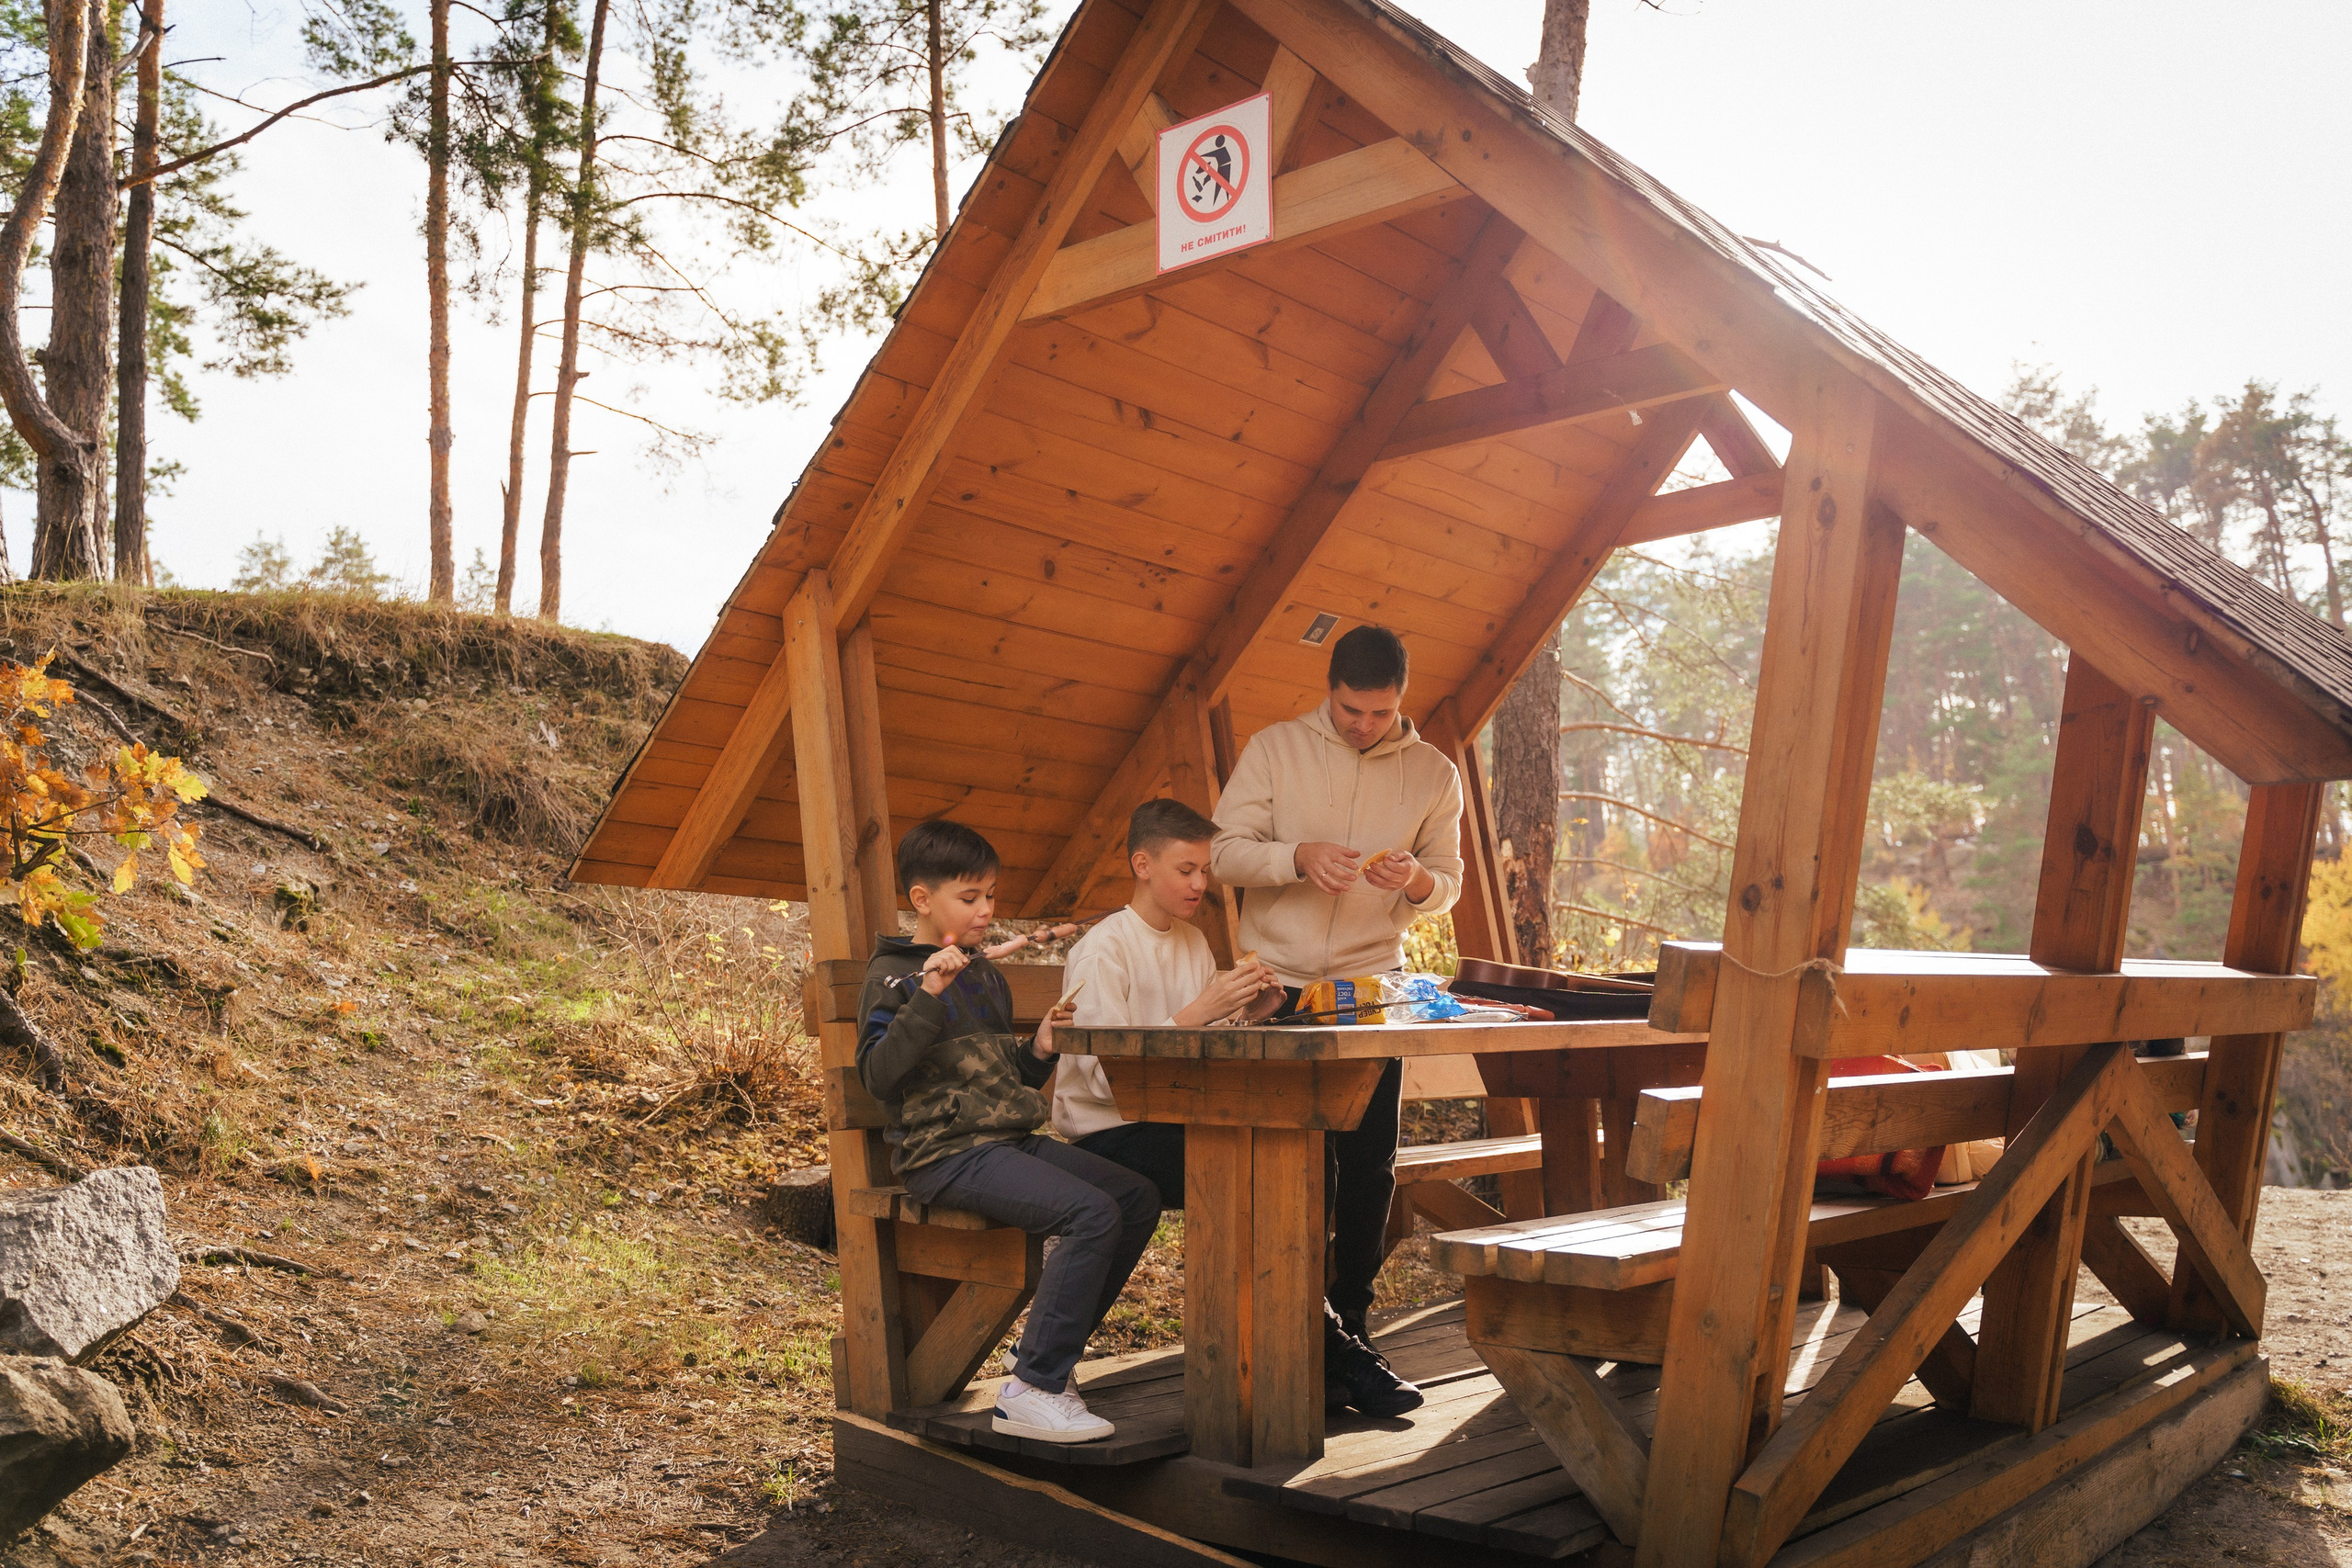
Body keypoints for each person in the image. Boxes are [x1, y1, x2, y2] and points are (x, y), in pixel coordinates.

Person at [1053, 796, 1423, 1416]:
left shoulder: (1195, 943)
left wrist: (1250, 1015)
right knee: (1260, 1164)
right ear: (1142, 864)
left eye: (1205, 870)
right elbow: (1096, 1073)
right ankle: (1327, 1343)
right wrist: (1201, 1012)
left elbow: (1201, 1056)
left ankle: (1308, 1337)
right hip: (1110, 1137)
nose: (1201, 883)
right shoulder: (1104, 948)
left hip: (1179, 1125)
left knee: (1310, 1147)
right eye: (1185, 870)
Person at [1210, 625, 1464, 1416]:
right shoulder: (1276, 747)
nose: (1364, 725)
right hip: (1273, 987)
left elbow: (1449, 884)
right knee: (1292, 1166)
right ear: (1331, 690)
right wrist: (1295, 856)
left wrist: (1418, 879)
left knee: (1368, 1168)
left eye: (1380, 713)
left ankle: (1349, 1325)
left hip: (1366, 993)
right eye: (1352, 710)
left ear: (1401, 701)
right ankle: (1300, 1334)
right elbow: (1222, 851)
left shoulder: (1434, 772)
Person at [856, 819, 1160, 1445]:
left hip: (1005, 1141)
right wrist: (927, 995)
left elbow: (1005, 1079)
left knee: (1135, 1197)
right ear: (922, 899)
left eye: (991, 895)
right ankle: (1034, 1387)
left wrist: (1041, 1048)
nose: (986, 910)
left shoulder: (984, 974)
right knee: (1090, 1214)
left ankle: (1044, 1354)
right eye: (970, 897)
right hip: (944, 1155)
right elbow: (878, 1076)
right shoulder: (894, 975)